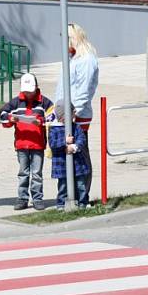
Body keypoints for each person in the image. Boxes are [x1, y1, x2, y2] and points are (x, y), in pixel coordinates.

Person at [55, 22, 99, 193]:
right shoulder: (73, 59)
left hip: (77, 115)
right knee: (68, 152)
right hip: (65, 113)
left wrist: (73, 113)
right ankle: (71, 191)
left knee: (80, 152)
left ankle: (83, 193)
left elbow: (84, 90)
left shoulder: (87, 59)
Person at [0, 73, 52, 211]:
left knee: (37, 173)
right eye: (26, 92)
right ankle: (22, 198)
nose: (28, 94)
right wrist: (11, 119)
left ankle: (37, 198)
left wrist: (40, 121)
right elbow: (3, 114)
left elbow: (53, 117)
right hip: (22, 144)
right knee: (23, 172)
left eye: (31, 91)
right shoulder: (16, 102)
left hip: (38, 144)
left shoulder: (44, 102)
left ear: (36, 88)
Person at [49, 100, 90, 210]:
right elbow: (52, 144)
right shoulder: (54, 129)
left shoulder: (76, 127)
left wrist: (74, 147)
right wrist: (65, 142)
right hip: (61, 164)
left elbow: (82, 139)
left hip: (77, 163)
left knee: (81, 185)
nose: (74, 114)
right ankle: (61, 204)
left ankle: (83, 203)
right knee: (63, 186)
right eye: (72, 112)